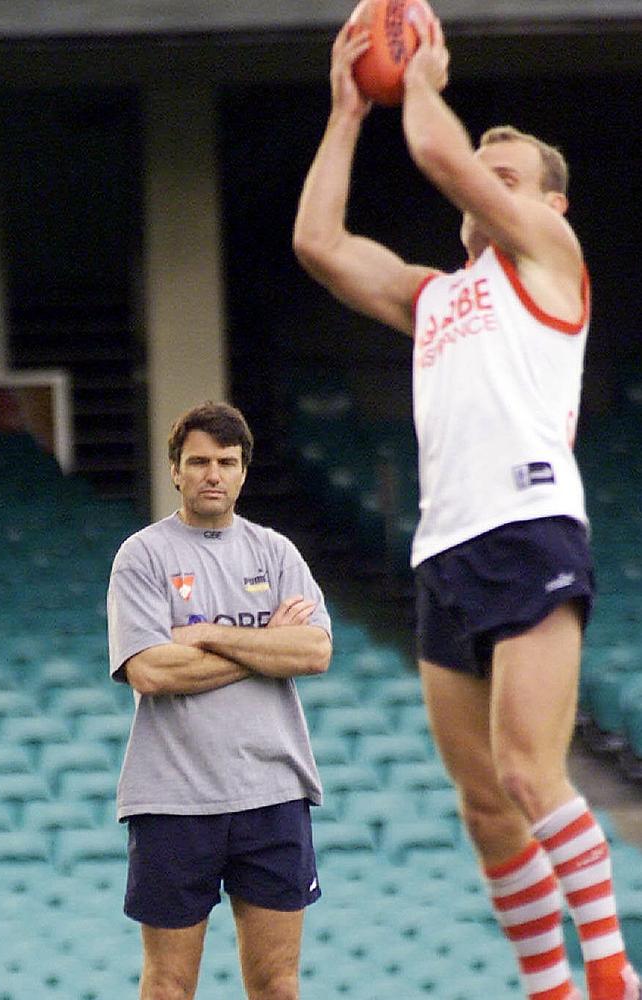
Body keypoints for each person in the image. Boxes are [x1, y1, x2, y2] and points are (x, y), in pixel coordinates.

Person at [292, 5, 639, 1000]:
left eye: (511, 171)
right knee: (483, 805)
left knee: (532, 774)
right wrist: (346, 112)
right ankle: (548, 985)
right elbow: (319, 241)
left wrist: (428, 83)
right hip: (442, 548)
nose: (488, 176)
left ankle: (611, 976)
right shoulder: (434, 296)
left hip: (528, 524)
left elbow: (442, 156)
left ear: (548, 206)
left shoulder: (549, 264)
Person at [107, 400, 332, 1000]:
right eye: (199, 461)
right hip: (173, 798)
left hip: (273, 793)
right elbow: (151, 670)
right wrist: (264, 645)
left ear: (242, 472)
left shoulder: (276, 553)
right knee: (169, 987)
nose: (213, 473)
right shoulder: (143, 555)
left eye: (226, 462)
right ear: (175, 471)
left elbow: (313, 652)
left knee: (278, 986)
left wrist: (206, 634)